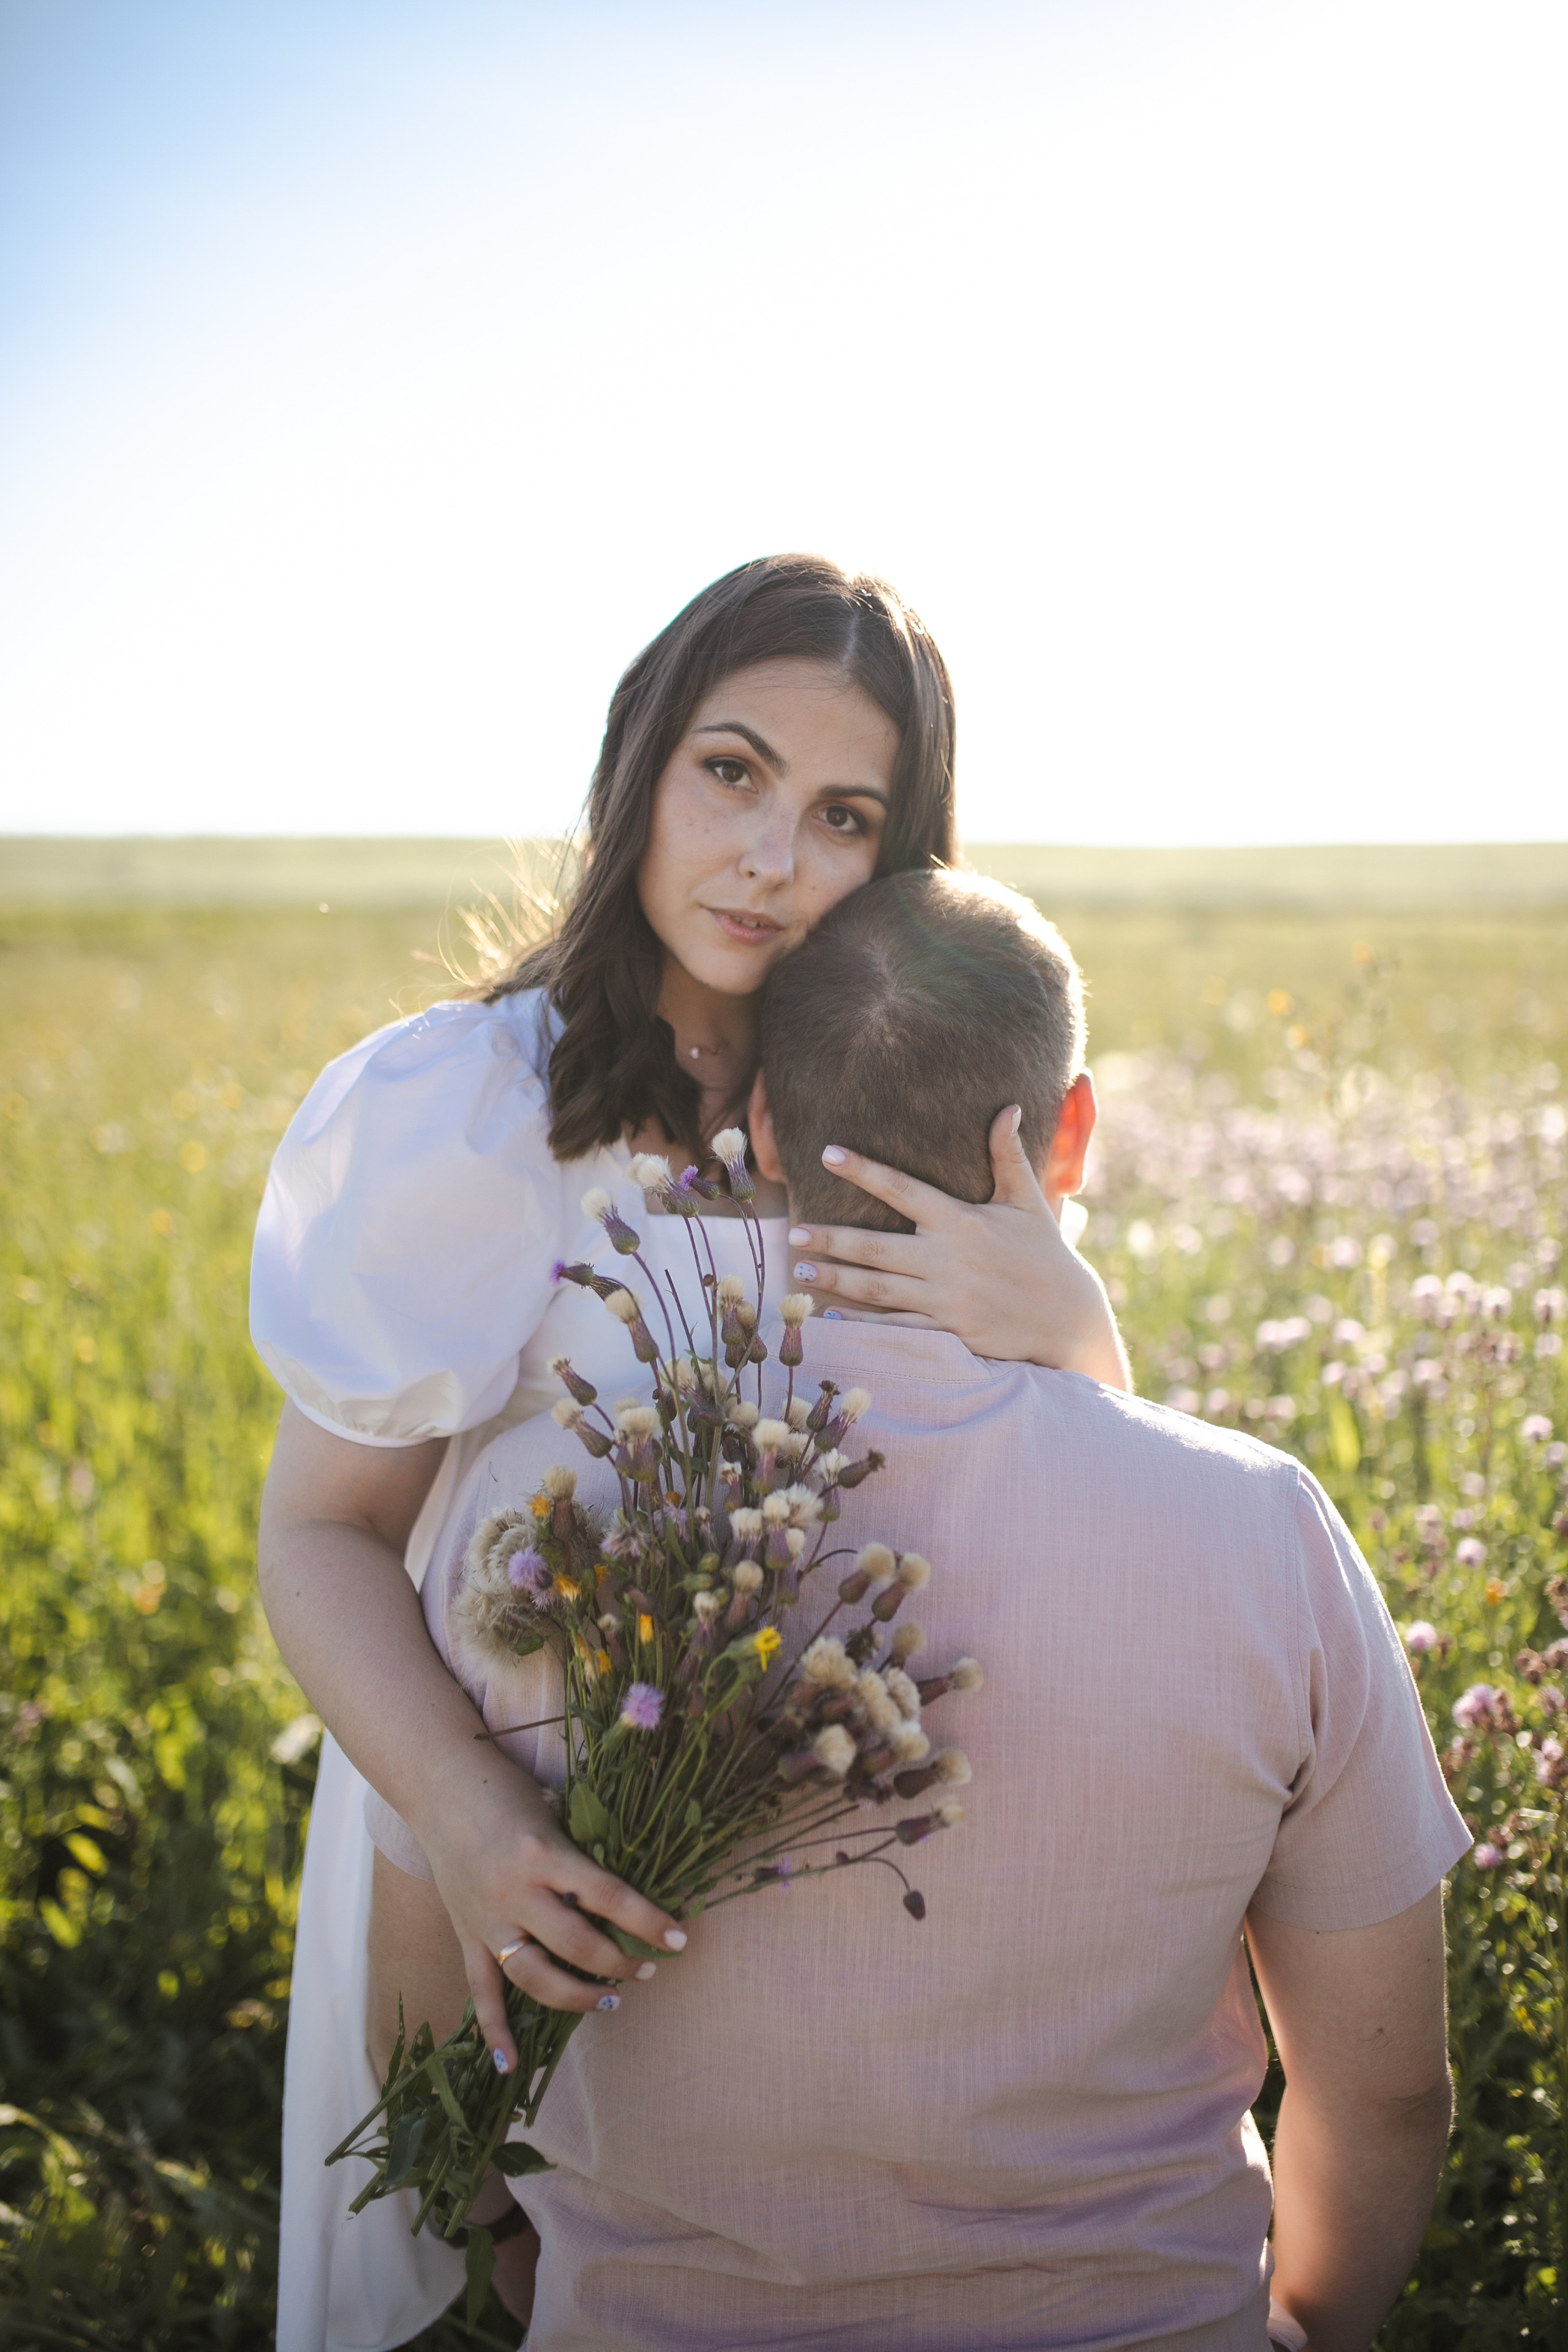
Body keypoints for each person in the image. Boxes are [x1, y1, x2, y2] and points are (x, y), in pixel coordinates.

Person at [376, 868, 1470, 2352]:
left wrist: (536, 2276)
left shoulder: (538, 1528)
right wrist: (1303, 2328)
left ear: (756, 1125)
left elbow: (428, 2031)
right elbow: (1386, 2087)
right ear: (1066, 1134)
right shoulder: (1264, 1532)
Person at [251, 556, 1130, 2352]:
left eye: (841, 815)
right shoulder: (469, 1110)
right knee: (485, 2274)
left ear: (903, 855)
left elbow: (1066, 1489)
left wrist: (1077, 1325)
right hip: (490, 1858)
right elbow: (320, 1537)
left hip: (796, 1881)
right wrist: (469, 1817)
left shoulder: (904, 1103)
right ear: (640, 770)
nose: (769, 858)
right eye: (729, 774)